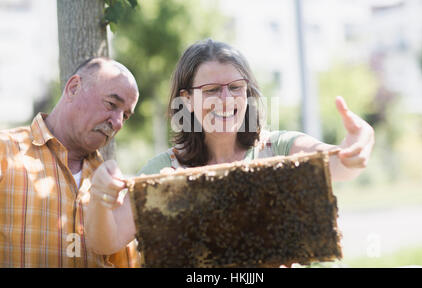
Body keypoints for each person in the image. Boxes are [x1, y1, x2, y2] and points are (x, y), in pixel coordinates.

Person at [85, 38, 375, 256]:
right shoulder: (164, 170)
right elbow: (105, 243)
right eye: (211, 90)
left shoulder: (279, 148)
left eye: (235, 87)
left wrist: (354, 148)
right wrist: (100, 197)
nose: (226, 99)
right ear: (186, 100)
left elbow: (336, 163)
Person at [0, 57, 140, 267]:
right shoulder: (5, 152)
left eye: (126, 115)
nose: (118, 122)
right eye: (112, 104)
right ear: (73, 88)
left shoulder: (114, 188)